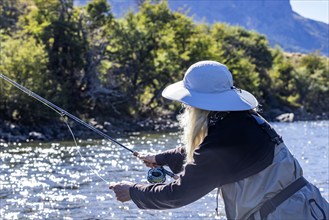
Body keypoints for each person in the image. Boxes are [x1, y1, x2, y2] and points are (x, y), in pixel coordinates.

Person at [109, 61, 329, 219]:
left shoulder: (224, 138)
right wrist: (160, 158)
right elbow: (207, 155)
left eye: (189, 102)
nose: (186, 106)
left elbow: (179, 194)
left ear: (200, 104)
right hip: (310, 207)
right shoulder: (242, 120)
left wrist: (133, 192)